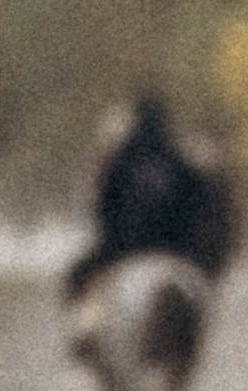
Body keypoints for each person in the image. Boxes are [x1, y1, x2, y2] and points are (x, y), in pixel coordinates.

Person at [63, 96, 236, 299]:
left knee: (76, 280)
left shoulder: (120, 160)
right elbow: (193, 205)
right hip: (173, 249)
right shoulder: (178, 159)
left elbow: (103, 206)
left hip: (123, 247)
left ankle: (85, 326)